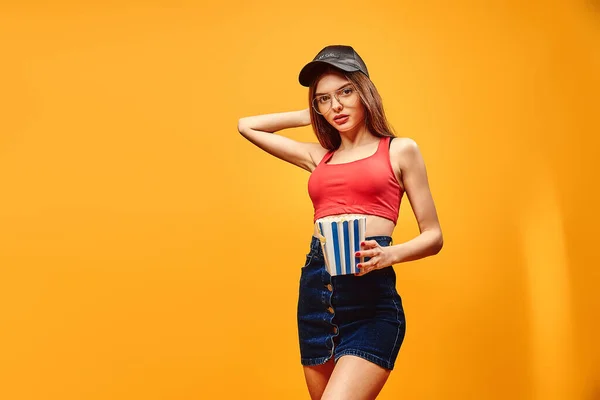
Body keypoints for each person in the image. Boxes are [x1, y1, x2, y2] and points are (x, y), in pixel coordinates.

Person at [237, 45, 443, 400]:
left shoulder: (399, 150)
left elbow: (434, 235)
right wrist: (310, 114)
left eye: (346, 92)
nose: (337, 106)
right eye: (324, 99)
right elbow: (247, 126)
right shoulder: (319, 157)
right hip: (317, 294)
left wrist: (389, 256)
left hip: (370, 300)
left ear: (365, 92)